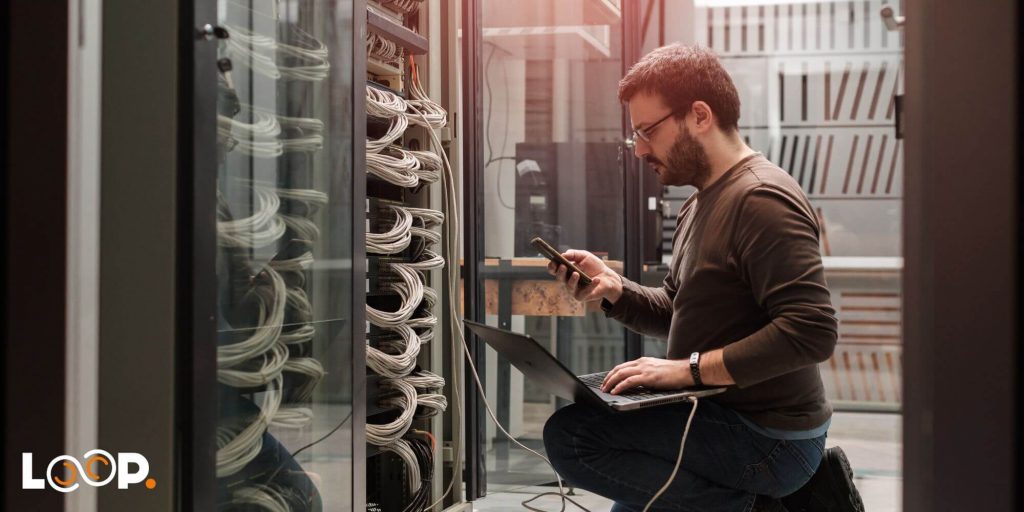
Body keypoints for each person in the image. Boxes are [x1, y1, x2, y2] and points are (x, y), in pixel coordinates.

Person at [542, 44, 865, 512]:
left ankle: (755, 508)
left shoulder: (761, 199)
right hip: (718, 412)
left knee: (574, 436)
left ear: (699, 115)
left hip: (770, 438)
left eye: (647, 131)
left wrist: (686, 371)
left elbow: (811, 332)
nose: (639, 150)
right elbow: (678, 308)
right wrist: (615, 291)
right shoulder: (700, 201)